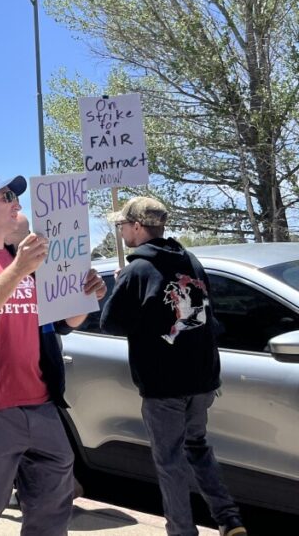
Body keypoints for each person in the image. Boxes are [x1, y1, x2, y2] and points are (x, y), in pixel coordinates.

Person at [0, 175, 106, 536]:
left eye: (16, 196)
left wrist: (86, 298)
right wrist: (18, 270)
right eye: (6, 196)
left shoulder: (26, 261)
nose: (17, 202)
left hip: (42, 404)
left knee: (53, 504)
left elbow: (61, 324)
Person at [100, 197, 246, 536]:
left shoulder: (138, 270)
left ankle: (182, 531)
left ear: (137, 226)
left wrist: (121, 286)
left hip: (164, 384)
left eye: (122, 225)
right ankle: (228, 518)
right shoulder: (189, 260)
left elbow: (111, 323)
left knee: (170, 462)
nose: (120, 230)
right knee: (197, 446)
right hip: (202, 378)